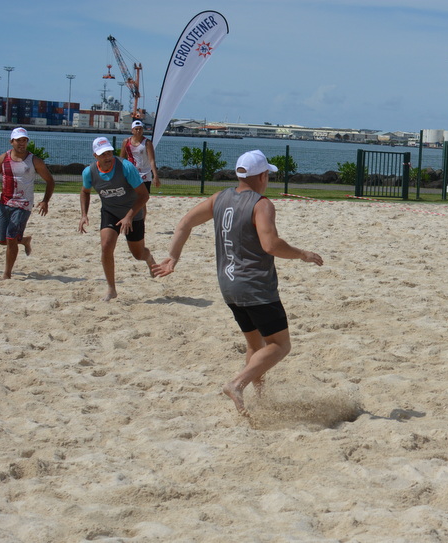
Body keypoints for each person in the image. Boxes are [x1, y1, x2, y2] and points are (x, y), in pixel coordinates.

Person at [152, 150, 323, 416]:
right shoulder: (262, 204)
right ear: (263, 176)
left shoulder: (219, 198)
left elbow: (185, 222)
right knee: (280, 345)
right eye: (268, 175)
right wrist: (303, 254)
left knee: (256, 346)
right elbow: (271, 244)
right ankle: (237, 384)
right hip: (255, 287)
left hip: (228, 285)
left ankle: (260, 398)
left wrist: (173, 256)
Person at [79, 136, 156, 301]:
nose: (107, 157)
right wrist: (84, 215)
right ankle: (111, 289)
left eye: (109, 153)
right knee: (106, 246)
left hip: (133, 212)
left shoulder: (126, 167)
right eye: (102, 154)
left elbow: (144, 195)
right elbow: (85, 192)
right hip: (110, 212)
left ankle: (149, 259)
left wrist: (129, 216)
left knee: (138, 253)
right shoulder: (90, 172)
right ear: (95, 156)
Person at [0, 127, 55, 279]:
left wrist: (45, 201)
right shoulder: (3, 158)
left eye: (24, 140)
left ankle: (7, 274)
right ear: (12, 141)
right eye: (18, 140)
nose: (22, 143)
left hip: (23, 204)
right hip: (5, 203)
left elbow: (49, 180)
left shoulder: (34, 160)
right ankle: (24, 240)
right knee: (2, 240)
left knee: (11, 238)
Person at [121, 120, 160, 218]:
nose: (138, 131)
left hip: (145, 174)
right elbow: (121, 159)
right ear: (132, 130)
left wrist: (155, 176)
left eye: (140, 129)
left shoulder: (147, 143)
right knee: (130, 197)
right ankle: (130, 217)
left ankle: (141, 221)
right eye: (136, 129)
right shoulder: (127, 142)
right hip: (131, 173)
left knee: (142, 199)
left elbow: (152, 160)